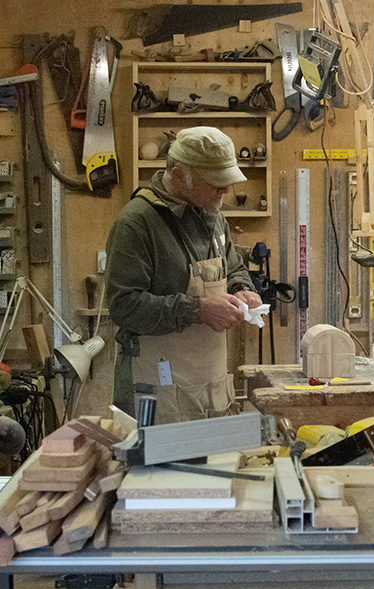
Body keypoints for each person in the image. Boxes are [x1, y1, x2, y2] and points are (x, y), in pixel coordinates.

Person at [105, 126, 262, 422]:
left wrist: (242, 287)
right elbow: (124, 306)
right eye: (215, 182)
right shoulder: (136, 223)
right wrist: (198, 310)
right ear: (178, 175)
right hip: (157, 389)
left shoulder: (213, 215)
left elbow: (233, 266)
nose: (225, 190)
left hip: (209, 386)